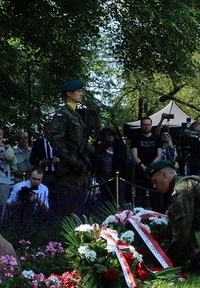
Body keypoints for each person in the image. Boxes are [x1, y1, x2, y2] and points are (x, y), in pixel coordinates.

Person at [50, 79, 94, 215]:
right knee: (69, 211)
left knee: (80, 210)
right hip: (69, 172)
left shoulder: (76, 114)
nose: (82, 94)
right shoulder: (62, 113)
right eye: (79, 91)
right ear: (69, 93)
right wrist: (73, 161)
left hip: (81, 171)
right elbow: (57, 142)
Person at [130, 116, 163, 209]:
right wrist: (144, 167)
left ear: (151, 126)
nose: (146, 126)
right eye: (144, 125)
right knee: (140, 197)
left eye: (148, 124)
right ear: (141, 126)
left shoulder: (157, 139)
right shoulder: (135, 138)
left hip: (155, 171)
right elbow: (134, 156)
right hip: (140, 171)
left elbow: (159, 155)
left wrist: (151, 167)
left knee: (156, 198)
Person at [95, 127, 128, 206]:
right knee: (105, 200)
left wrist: (111, 153)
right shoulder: (102, 145)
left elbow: (123, 157)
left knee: (118, 199)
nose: (108, 139)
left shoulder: (119, 144)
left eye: (109, 136)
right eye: (105, 137)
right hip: (104, 176)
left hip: (117, 175)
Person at [30, 122, 60, 203]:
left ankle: (56, 214)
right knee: (42, 195)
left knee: (56, 196)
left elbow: (64, 157)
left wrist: (57, 160)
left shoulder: (58, 143)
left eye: (51, 128)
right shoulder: (37, 143)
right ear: (44, 130)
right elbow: (32, 159)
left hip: (56, 174)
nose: (49, 131)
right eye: (48, 128)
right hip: (43, 174)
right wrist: (41, 162)